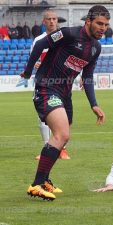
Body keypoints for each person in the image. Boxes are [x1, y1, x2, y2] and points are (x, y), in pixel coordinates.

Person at [21, 5, 109, 201]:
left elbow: (88, 76)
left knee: (63, 138)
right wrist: (28, 73)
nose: (103, 28)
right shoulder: (69, 33)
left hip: (65, 93)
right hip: (47, 87)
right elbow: (39, 45)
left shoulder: (96, 47)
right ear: (88, 21)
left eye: (106, 24)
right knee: (62, 134)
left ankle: (43, 181)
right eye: (99, 23)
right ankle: (36, 185)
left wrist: (93, 104)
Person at [31, 9, 70, 161]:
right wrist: (35, 65)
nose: (52, 21)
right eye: (49, 19)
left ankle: (62, 149)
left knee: (63, 115)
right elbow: (33, 59)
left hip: (61, 82)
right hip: (43, 82)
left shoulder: (64, 38)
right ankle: (46, 148)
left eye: (54, 19)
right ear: (44, 21)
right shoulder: (38, 40)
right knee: (42, 117)